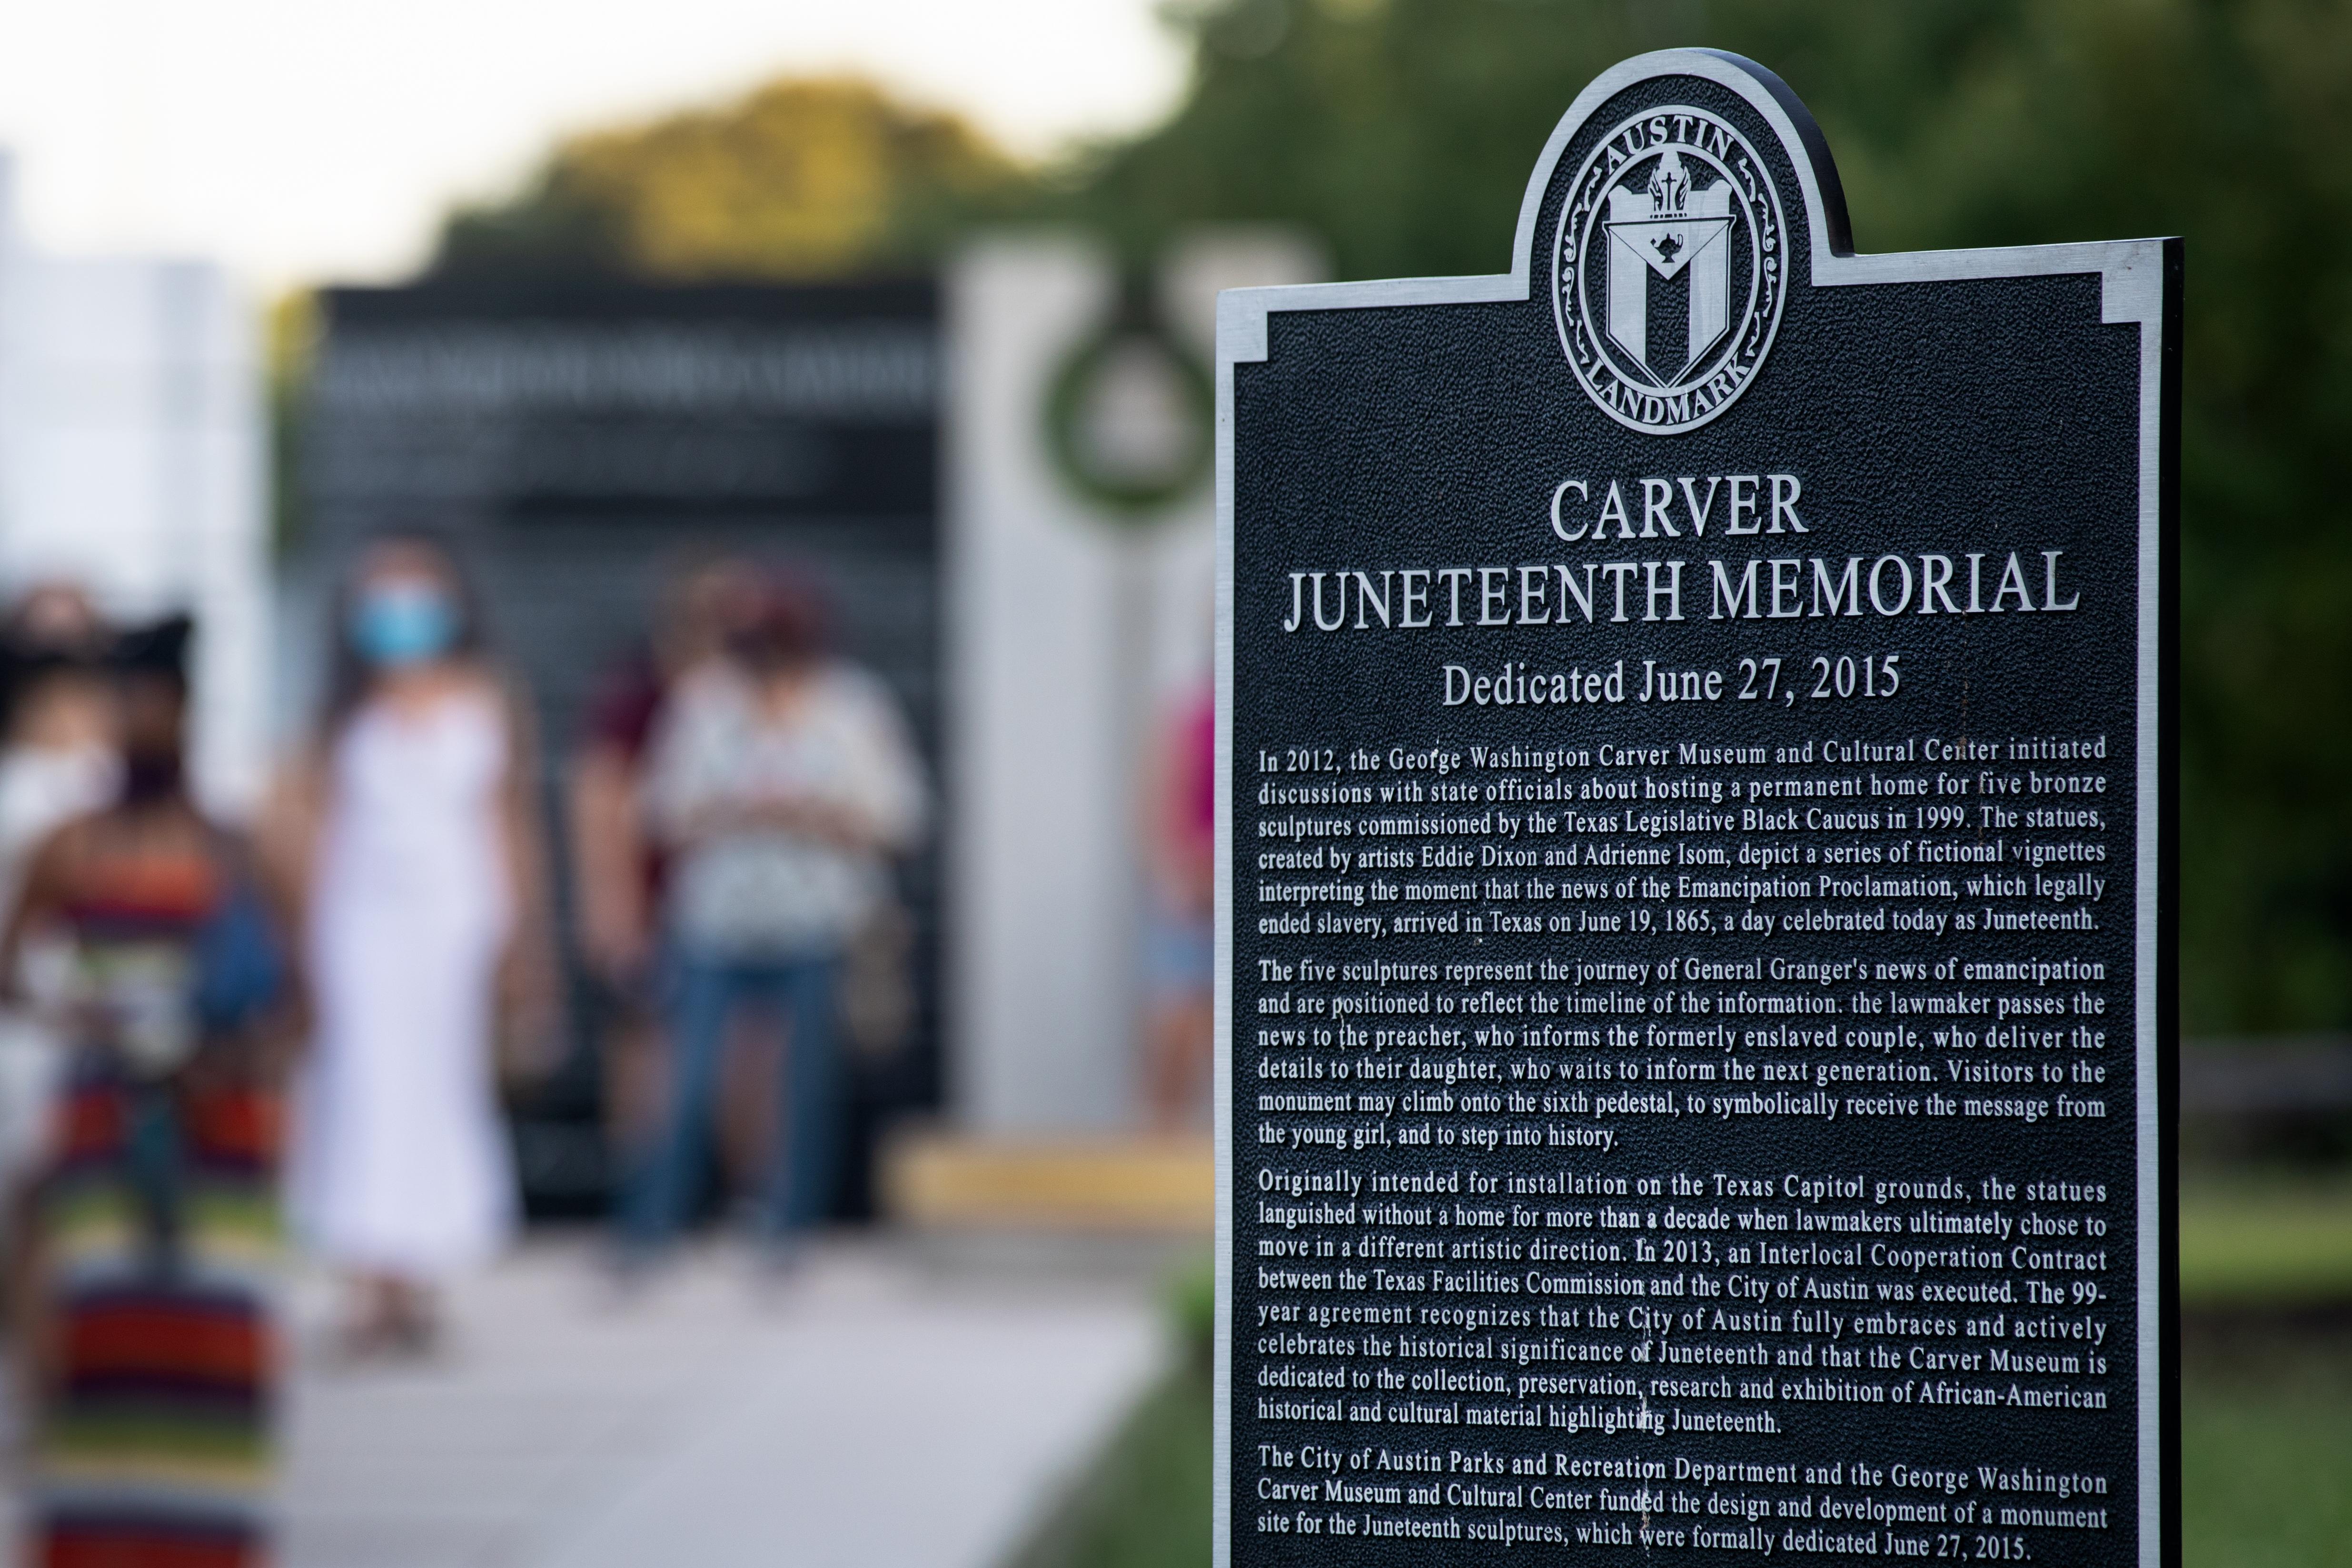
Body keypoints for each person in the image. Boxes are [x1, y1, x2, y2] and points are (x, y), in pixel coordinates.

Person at [2, 614, 296, 1566]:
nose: (140, 723)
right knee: (102, 1341)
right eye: (126, 704)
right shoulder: (71, 844)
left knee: (207, 1342)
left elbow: (301, 1002)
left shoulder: (233, 847)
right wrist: (88, 1014)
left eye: (156, 705)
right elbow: (13, 970)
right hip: (106, 1120)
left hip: (217, 1124)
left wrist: (232, 1051)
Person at [270, 533, 555, 1356]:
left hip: (455, 923)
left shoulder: (487, 697)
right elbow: (307, 823)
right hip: (359, 923)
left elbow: (509, 821)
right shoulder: (340, 711)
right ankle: (366, 1275)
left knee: (440, 1090)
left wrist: (525, 941)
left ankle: (421, 1272)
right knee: (362, 1090)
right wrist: (297, 935)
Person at [624, 571, 923, 1262]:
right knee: (690, 1079)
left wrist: (815, 814)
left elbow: (898, 814)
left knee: (803, 1086)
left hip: (817, 920)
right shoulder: (706, 705)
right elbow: (659, 809)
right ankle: (650, 1226)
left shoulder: (850, 706)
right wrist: (734, 808)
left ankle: (787, 1230)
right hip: (716, 920)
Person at [1141, 679, 1215, 1130]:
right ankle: (1163, 1137)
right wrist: (1174, 877)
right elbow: (1155, 804)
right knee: (1175, 1023)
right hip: (1190, 891)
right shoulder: (1189, 718)